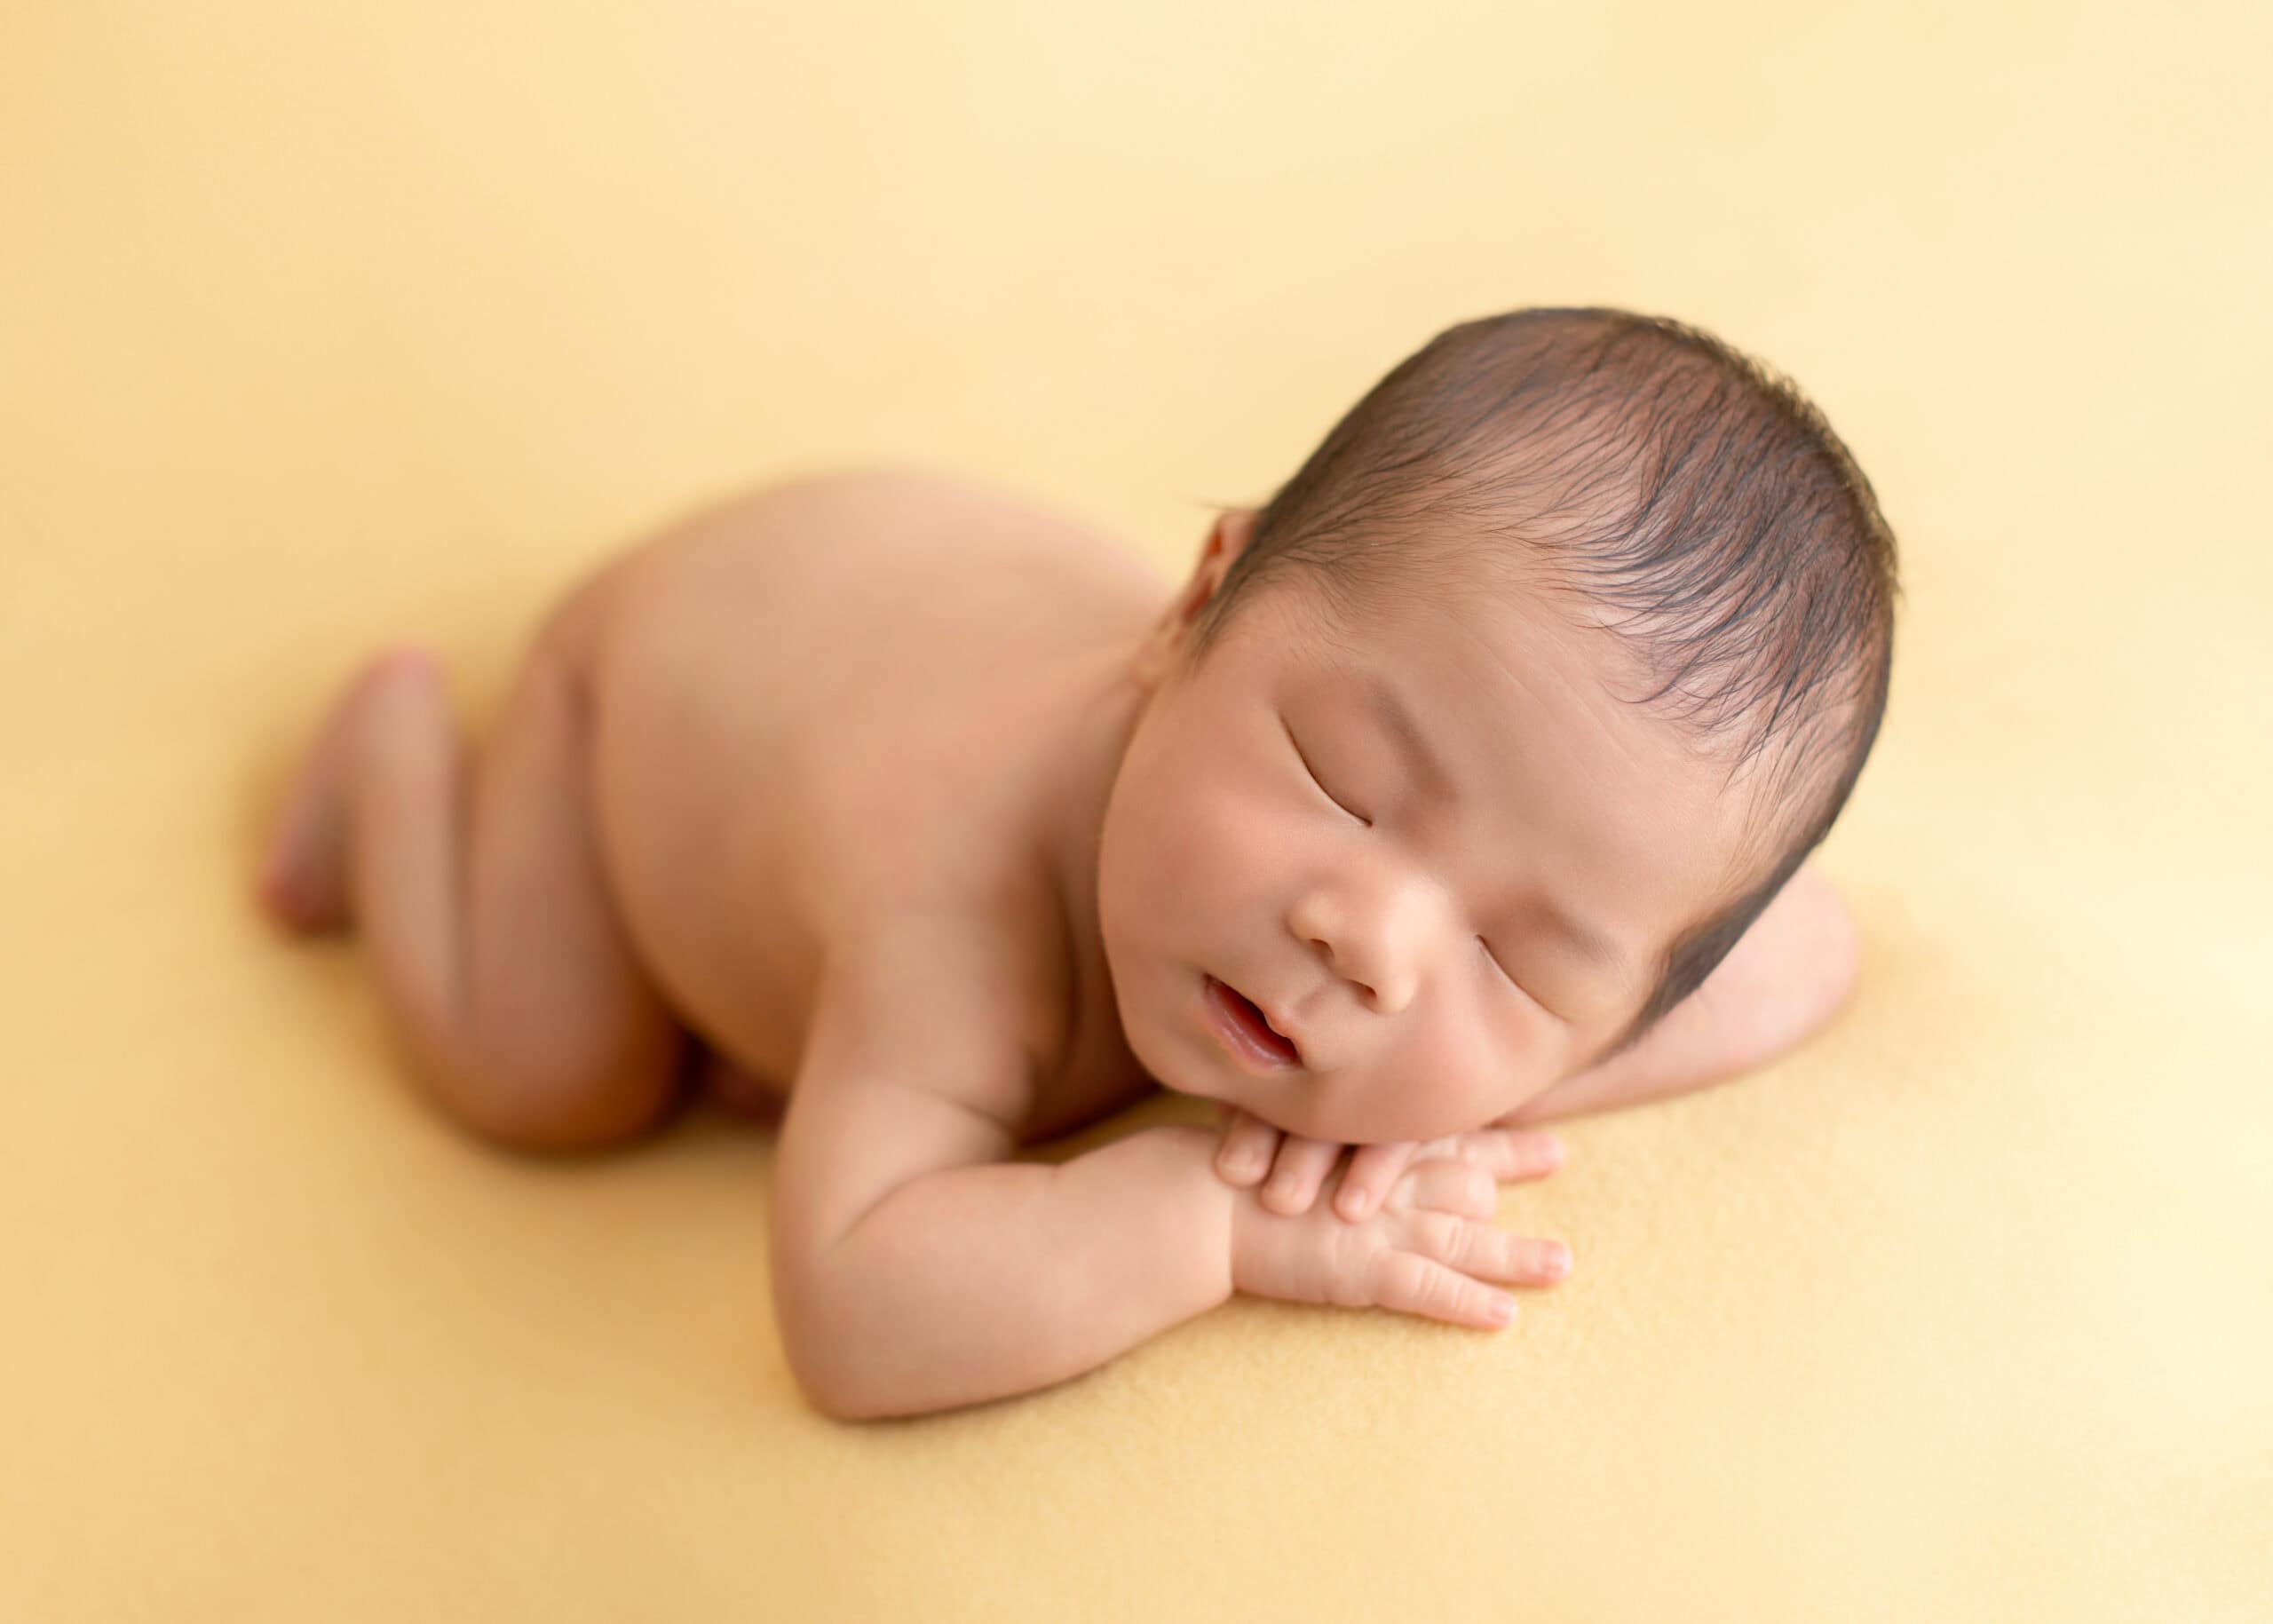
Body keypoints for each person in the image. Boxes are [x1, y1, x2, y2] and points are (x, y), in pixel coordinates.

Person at [254, 306, 1897, 1419]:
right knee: (552, 1072)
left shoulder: (1404, 881)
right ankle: (399, 760)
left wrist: (1478, 1080)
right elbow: (850, 1308)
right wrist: (1214, 1220)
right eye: (1341, 777)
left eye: (1524, 957)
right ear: (1200, 601)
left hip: (908, 581)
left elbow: (1802, 946)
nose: (1372, 941)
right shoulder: (954, 901)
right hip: (647, 678)